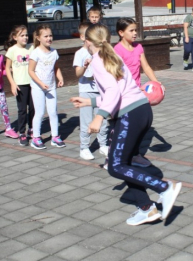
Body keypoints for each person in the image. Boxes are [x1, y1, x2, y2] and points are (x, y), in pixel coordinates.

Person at [70, 24, 182, 226]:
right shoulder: (112, 55)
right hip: (141, 110)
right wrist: (90, 102)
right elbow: (119, 92)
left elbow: (113, 92)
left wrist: (99, 117)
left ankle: (164, 187)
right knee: (126, 163)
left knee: (115, 167)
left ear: (87, 42)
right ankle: (147, 209)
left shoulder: (97, 60)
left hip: (130, 114)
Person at [114, 17, 160, 168]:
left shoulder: (138, 47)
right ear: (121, 32)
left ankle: (134, 155)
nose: (135, 33)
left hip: (138, 92)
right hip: (124, 93)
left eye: (135, 30)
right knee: (124, 126)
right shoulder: (117, 50)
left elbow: (146, 67)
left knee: (144, 123)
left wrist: (156, 83)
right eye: (131, 30)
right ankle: (121, 155)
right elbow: (117, 75)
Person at [73, 21, 109, 160]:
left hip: (101, 90)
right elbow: (77, 74)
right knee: (87, 121)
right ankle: (84, 147)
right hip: (86, 91)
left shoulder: (99, 52)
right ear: (84, 38)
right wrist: (85, 65)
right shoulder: (80, 53)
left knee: (103, 119)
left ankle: (103, 144)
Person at [28, 24, 66, 149]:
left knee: (53, 112)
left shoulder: (54, 52)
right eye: (46, 36)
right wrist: (40, 83)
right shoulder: (36, 53)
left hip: (51, 87)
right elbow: (31, 71)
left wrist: (60, 78)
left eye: (50, 35)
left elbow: (56, 67)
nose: (49, 38)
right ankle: (36, 138)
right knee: (39, 113)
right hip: (38, 87)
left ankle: (55, 136)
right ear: (38, 38)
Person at [4, 25, 35, 146]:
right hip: (20, 85)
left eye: (26, 35)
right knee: (22, 110)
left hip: (32, 83)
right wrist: (12, 84)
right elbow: (7, 68)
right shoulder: (12, 50)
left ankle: (31, 129)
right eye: (22, 35)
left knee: (33, 108)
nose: (25, 37)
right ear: (15, 37)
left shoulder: (31, 48)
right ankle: (22, 133)